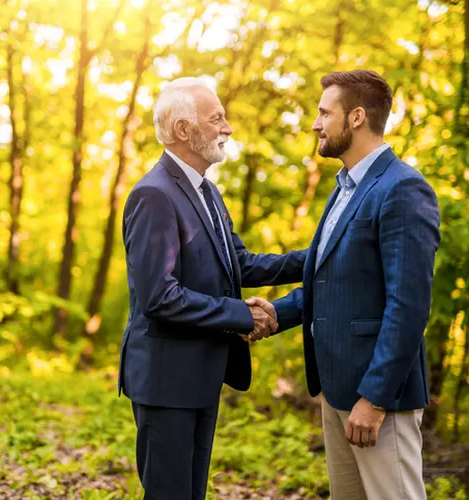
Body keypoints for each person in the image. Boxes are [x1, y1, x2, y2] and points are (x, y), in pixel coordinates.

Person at [251, 70, 440, 500]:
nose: (316, 123)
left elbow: (408, 306)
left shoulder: (403, 189)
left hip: (376, 401)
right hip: (336, 391)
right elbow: (330, 281)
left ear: (356, 118)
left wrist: (374, 400)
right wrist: (273, 314)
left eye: (324, 112)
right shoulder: (344, 189)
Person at [119, 77, 305, 499]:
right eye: (216, 118)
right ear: (184, 130)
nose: (228, 127)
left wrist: (318, 256)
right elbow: (159, 297)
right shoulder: (154, 195)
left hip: (201, 375)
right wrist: (244, 315)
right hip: (167, 380)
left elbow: (240, 264)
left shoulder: (207, 190)